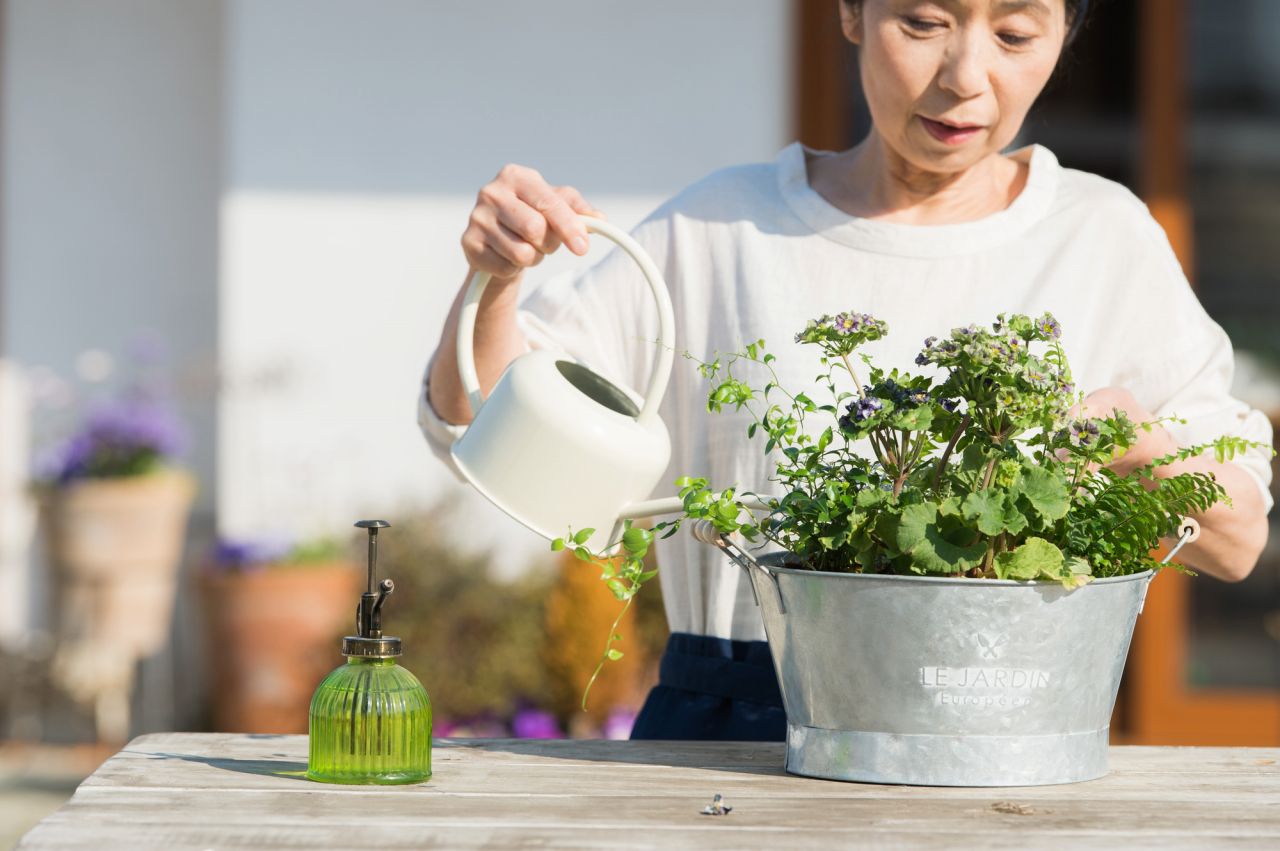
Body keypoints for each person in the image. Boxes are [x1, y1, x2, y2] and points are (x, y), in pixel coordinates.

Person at [418, 0, 1274, 741]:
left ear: (1064, 37)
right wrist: (495, 282)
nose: (966, 75)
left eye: (1015, 35)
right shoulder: (723, 228)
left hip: (992, 730)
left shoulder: (1100, 239)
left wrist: (1129, 444)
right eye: (924, 23)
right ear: (851, 13)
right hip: (726, 730)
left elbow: (1235, 541)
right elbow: (485, 429)